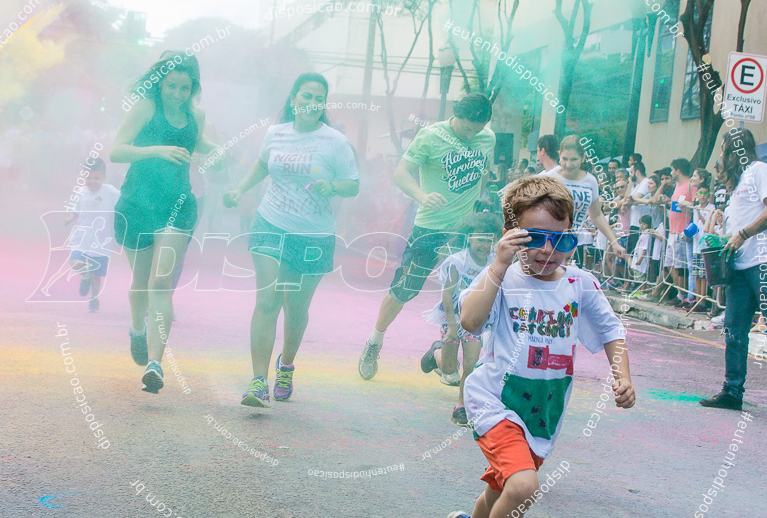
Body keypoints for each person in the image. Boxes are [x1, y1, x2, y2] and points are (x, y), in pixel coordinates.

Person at [444, 175, 634, 518]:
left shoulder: (580, 284)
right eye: (535, 239)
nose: (548, 251)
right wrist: (496, 265)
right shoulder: (503, 277)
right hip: (494, 400)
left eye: (559, 238)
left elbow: (610, 330)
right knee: (524, 485)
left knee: (502, 488)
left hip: (544, 408)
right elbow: (470, 321)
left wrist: (622, 375)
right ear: (511, 236)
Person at [224, 73, 359, 407]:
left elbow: (352, 184)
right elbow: (261, 165)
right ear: (293, 99)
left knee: (295, 309)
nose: (311, 103)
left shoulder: (335, 141)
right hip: (271, 222)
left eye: (318, 98)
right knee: (268, 300)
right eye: (306, 96)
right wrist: (240, 189)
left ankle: (285, 365)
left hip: (314, 233)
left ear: (323, 104)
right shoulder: (275, 134)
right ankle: (258, 381)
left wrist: (334, 187)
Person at [358, 93, 495, 380]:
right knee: (405, 288)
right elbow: (401, 173)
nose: (472, 134)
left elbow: (483, 173)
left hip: (463, 234)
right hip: (430, 229)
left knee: (463, 297)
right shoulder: (430, 136)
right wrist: (422, 195)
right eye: (467, 127)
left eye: (477, 129)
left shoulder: (487, 139)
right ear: (455, 114)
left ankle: (447, 360)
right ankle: (374, 341)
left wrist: (477, 202)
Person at [109, 52, 219, 393]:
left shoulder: (197, 115)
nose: (177, 93)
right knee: (141, 283)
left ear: (194, 88)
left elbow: (200, 143)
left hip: (177, 206)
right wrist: (156, 150)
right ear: (160, 83)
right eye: (171, 85)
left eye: (185, 88)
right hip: (138, 203)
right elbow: (116, 150)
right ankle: (136, 328)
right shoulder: (144, 107)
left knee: (161, 282)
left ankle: (155, 364)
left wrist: (217, 152)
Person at [699, 128, 767, 422]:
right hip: (740, 266)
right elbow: (742, 223)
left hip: (766, 263)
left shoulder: (761, 170)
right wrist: (724, 239)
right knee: (734, 331)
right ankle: (732, 392)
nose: (721, 156)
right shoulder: (738, 184)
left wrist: (743, 234)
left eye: (724, 150)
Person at [420, 212, 502, 425]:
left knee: (471, 365)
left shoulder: (495, 263)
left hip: (475, 319)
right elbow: (447, 296)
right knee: (449, 370)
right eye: (481, 240)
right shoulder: (457, 262)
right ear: (469, 238)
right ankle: (436, 353)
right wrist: (452, 327)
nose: (485, 245)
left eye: (490, 240)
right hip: (453, 317)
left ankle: (461, 408)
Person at [547, 135, 626, 259]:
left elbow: (596, 215)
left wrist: (614, 243)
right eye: (564, 159)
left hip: (570, 243)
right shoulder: (549, 177)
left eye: (574, 159)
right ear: (559, 155)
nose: (568, 164)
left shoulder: (590, 181)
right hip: (547, 241)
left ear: (583, 157)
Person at [65, 159, 119, 312]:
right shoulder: (80, 191)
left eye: (96, 178)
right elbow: (76, 209)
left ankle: (94, 298)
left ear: (104, 177)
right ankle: (85, 275)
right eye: (89, 177)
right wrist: (69, 218)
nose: (92, 181)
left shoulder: (110, 192)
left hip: (101, 240)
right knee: (75, 262)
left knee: (97, 274)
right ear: (84, 176)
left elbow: (123, 203)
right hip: (81, 237)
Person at [666, 158, 696, 306]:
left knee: (681, 265)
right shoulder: (677, 186)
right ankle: (680, 293)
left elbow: (698, 205)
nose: (671, 173)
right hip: (672, 230)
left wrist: (687, 205)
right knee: (669, 263)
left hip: (683, 230)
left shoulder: (691, 184)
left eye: (672, 170)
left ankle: (685, 295)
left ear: (678, 170)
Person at [690, 184, 715, 312]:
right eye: (700, 193)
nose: (703, 196)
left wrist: (700, 214)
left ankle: (703, 300)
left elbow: (709, 224)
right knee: (697, 274)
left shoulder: (711, 208)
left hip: (705, 245)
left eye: (705, 193)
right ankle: (697, 298)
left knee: (704, 275)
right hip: (696, 244)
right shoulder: (695, 208)